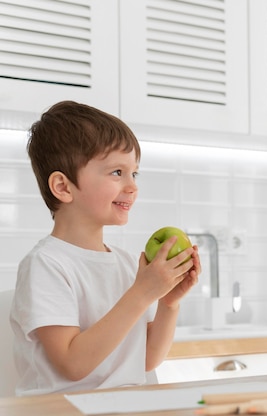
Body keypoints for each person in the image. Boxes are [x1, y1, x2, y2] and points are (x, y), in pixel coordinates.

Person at [9, 101, 201, 396]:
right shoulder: (46, 265)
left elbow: (147, 360)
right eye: (116, 172)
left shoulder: (124, 263)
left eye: (134, 173)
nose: (132, 186)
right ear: (63, 187)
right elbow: (72, 365)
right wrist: (142, 293)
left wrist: (168, 303)